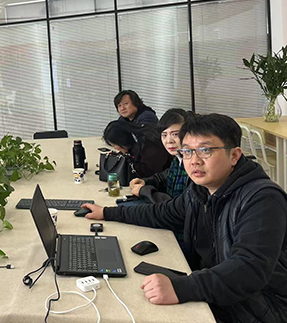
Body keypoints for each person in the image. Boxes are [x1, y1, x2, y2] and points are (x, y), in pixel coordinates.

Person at [82, 114, 287, 323]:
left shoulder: (262, 198)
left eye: (205, 150)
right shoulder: (200, 191)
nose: (194, 160)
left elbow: (249, 268)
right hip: (219, 296)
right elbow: (162, 213)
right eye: (187, 151)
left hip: (261, 310)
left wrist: (181, 288)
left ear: (234, 155)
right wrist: (107, 213)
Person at [129, 108, 192, 204]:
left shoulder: (194, 164)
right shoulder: (178, 159)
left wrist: (144, 191)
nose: (169, 141)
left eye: (175, 134)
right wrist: (145, 182)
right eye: (164, 135)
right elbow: (164, 177)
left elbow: (180, 206)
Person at [103, 120, 172, 178]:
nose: (115, 148)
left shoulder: (149, 143)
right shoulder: (135, 142)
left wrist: (127, 163)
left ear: (122, 140)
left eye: (115, 145)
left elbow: (149, 172)